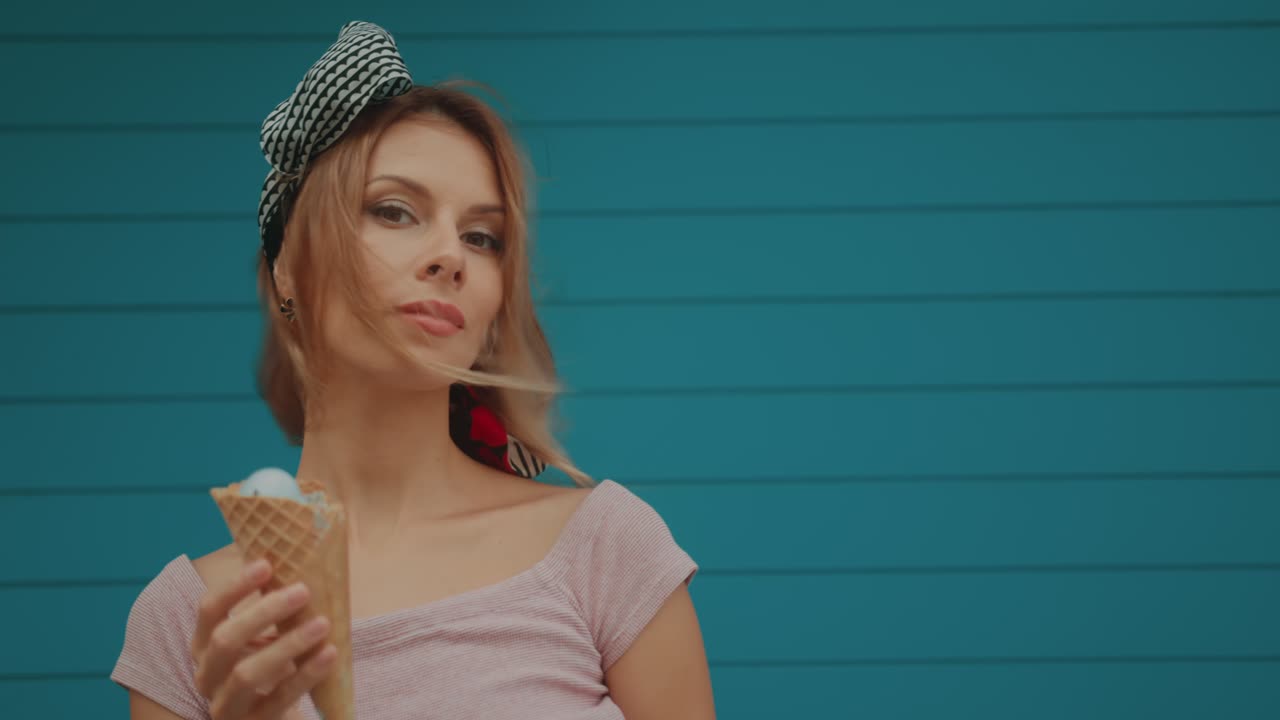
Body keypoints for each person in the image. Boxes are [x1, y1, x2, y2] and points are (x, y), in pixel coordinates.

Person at [109, 21, 715, 720]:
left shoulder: (607, 548)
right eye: (394, 211)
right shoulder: (186, 621)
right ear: (286, 269)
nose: (449, 255)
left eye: (481, 237)